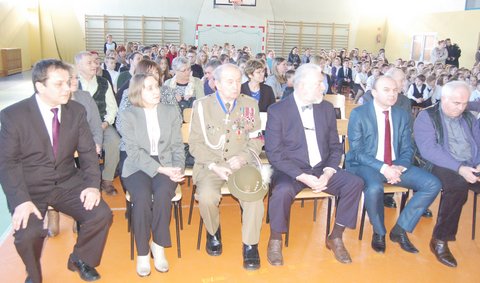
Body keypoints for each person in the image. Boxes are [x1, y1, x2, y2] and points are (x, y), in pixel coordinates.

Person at [0, 59, 113, 283]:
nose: (68, 88)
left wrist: (92, 185)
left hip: (67, 181)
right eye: (59, 84)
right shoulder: (13, 115)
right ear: (40, 86)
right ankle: (33, 274)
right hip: (29, 187)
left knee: (101, 215)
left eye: (69, 82)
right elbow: (7, 163)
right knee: (27, 235)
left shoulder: (76, 111)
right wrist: (20, 200)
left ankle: (80, 259)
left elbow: (88, 152)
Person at [265, 63, 364, 265]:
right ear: (301, 86)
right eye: (319, 84)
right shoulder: (277, 110)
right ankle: (275, 240)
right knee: (282, 191)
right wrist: (302, 176)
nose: (323, 88)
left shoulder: (326, 108)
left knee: (355, 183)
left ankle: (335, 236)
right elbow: (274, 153)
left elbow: (335, 147)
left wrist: (328, 173)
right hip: (291, 170)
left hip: (321, 169)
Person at [346, 75, 441, 255]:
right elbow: (357, 151)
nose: (392, 94)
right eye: (386, 90)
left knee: (432, 183)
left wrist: (400, 167)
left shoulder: (401, 114)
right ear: (374, 92)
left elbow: (408, 147)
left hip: (396, 164)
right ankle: (379, 232)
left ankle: (400, 229)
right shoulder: (359, 114)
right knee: (374, 188)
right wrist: (384, 168)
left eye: (395, 90)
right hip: (365, 164)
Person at [189, 64, 264, 270]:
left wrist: (243, 156)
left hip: (240, 162)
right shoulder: (202, 106)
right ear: (216, 84)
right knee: (206, 197)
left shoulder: (249, 105)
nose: (236, 86)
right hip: (210, 164)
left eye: (238, 81)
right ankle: (213, 232)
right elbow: (195, 144)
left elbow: (257, 138)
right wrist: (214, 165)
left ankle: (250, 244)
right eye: (230, 81)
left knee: (255, 195)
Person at [118, 73, 184, 276]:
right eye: (149, 88)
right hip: (137, 166)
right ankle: (143, 253)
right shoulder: (128, 115)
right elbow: (133, 152)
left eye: (156, 86)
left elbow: (177, 146)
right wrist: (161, 170)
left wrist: (177, 170)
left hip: (166, 162)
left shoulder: (171, 111)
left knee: (165, 192)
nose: (157, 91)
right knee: (142, 197)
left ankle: (158, 245)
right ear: (138, 92)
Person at [414, 81, 480, 267]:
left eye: (465, 104)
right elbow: (429, 150)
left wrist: (478, 163)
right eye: (456, 103)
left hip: (469, 162)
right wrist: (460, 168)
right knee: (457, 187)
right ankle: (440, 240)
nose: (461, 108)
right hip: (439, 163)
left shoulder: (469, 117)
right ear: (443, 98)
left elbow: (478, 141)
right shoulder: (426, 116)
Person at [46, 65, 105, 237]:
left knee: (85, 166)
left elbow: (95, 123)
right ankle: (52, 212)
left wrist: (97, 144)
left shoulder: (84, 97)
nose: (73, 82)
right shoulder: (49, 101)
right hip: (59, 152)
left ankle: (77, 214)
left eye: (75, 78)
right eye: (67, 79)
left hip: (83, 146)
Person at [75, 51, 121, 196]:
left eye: (95, 62)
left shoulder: (103, 82)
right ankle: (85, 181)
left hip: (102, 125)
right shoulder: (72, 83)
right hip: (78, 128)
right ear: (78, 66)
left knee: (115, 141)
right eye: (89, 63)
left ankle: (107, 180)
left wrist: (106, 122)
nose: (94, 65)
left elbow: (112, 107)